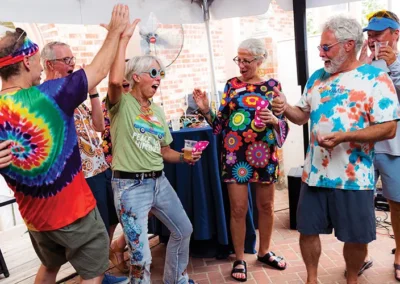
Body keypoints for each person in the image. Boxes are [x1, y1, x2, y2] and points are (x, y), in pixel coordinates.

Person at [0, 5, 139, 284]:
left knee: (50, 267)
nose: (39, 67)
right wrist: (115, 33)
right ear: (26, 61)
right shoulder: (49, 96)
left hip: (34, 219)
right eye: (38, 61)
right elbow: (98, 70)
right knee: (94, 271)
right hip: (72, 212)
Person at [271, 15, 399, 284]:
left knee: (356, 236)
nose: (321, 54)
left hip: (355, 177)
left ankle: (352, 278)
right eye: (320, 47)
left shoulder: (376, 79)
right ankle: (311, 279)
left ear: (349, 44)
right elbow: (302, 115)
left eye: (326, 47)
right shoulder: (317, 78)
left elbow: (389, 128)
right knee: (307, 231)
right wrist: (285, 108)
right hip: (315, 173)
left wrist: (345, 136)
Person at [106, 25, 202, 283]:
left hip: (158, 182)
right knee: (140, 256)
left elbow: (165, 150)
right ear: (136, 77)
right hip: (129, 186)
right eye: (153, 73)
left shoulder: (158, 112)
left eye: (161, 73)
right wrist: (122, 39)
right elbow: (115, 81)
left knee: (183, 230)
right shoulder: (121, 103)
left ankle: (175, 280)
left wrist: (183, 157)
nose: (159, 78)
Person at [193, 38, 289, 282]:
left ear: (259, 60)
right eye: (239, 59)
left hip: (265, 153)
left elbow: (283, 126)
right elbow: (218, 126)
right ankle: (239, 257)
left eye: (247, 60)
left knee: (266, 207)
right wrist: (205, 109)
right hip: (235, 156)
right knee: (238, 208)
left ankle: (265, 251)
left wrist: (275, 120)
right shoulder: (231, 86)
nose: (242, 65)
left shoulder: (273, 86)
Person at [41, 41, 129, 276]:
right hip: (81, 175)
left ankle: (102, 271)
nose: (73, 64)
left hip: (100, 167)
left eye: (72, 58)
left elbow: (99, 126)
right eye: (67, 60)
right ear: (51, 64)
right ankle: (93, 275)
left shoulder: (73, 94)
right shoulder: (48, 97)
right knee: (93, 231)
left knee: (110, 220)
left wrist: (92, 92)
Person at [361, 10, 400, 281]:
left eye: (379, 32)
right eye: (370, 33)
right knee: (361, 201)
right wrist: (360, 67)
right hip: (364, 146)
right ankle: (360, 253)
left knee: (397, 203)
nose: (373, 37)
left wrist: (394, 67)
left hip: (394, 147)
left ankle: (399, 254)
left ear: (396, 34)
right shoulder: (364, 63)